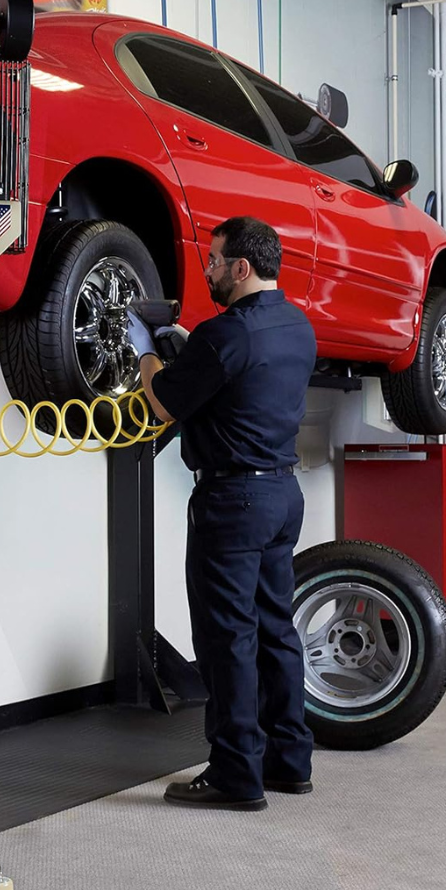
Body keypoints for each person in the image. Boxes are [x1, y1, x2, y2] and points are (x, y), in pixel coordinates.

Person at [127, 216, 317, 812]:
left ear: (241, 267)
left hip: (232, 503)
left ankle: (236, 774)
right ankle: (289, 761)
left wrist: (145, 354)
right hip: (282, 495)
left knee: (226, 638)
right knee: (275, 630)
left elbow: (162, 404)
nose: (206, 269)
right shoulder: (297, 325)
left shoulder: (223, 334)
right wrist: (192, 353)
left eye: (213, 260)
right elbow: (237, 385)